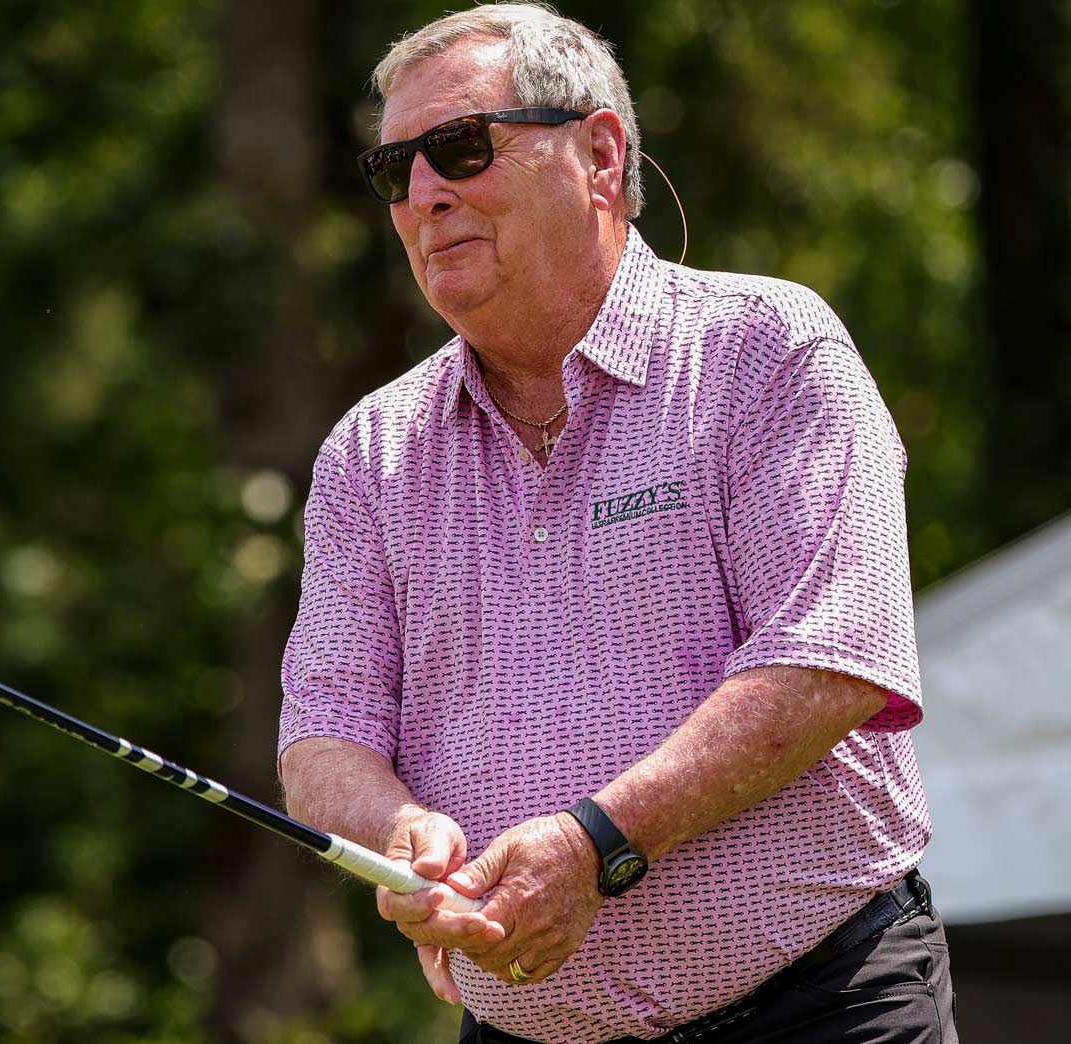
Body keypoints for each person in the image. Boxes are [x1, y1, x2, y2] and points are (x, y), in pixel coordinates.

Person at [275, 4, 957, 1043]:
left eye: (459, 146)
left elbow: (826, 662)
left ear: (598, 153)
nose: (422, 193)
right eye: (392, 169)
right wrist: (399, 833)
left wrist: (593, 848)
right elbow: (322, 734)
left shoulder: (767, 349)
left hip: (818, 1009)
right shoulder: (369, 452)